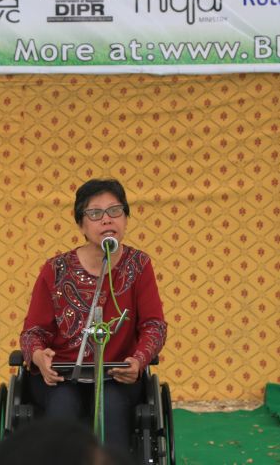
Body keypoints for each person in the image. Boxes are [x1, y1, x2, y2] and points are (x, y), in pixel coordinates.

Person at [20, 178, 167, 453]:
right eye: (95, 213)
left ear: (125, 218)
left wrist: (138, 360)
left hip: (117, 375)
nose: (106, 220)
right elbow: (32, 333)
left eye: (115, 211)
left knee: (110, 408)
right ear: (81, 225)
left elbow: (154, 325)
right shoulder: (55, 269)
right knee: (62, 411)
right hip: (62, 376)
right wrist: (38, 355)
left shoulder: (139, 265)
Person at [0, 418, 136, 465]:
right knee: (62, 402)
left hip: (118, 378)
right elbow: (31, 337)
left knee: (113, 402)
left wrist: (138, 361)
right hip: (57, 378)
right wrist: (38, 356)